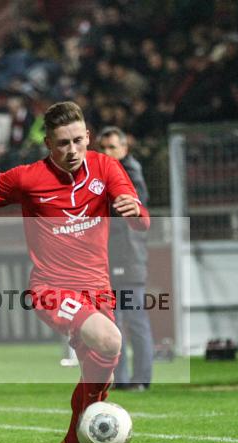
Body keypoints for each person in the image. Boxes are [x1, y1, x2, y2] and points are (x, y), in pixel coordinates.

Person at [0, 101, 150, 443]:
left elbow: (141, 223)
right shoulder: (27, 178)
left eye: (77, 141)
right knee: (110, 340)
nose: (71, 151)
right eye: (62, 144)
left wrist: (136, 214)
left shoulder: (107, 168)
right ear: (48, 145)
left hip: (98, 289)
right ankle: (78, 441)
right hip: (51, 290)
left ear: (88, 137)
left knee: (101, 372)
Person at [98, 126, 153, 392]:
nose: (108, 153)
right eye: (104, 148)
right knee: (112, 321)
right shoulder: (106, 173)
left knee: (134, 319)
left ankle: (141, 379)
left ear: (124, 148)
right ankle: (121, 379)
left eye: (112, 147)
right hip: (111, 259)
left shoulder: (129, 173)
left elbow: (129, 207)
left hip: (128, 258)